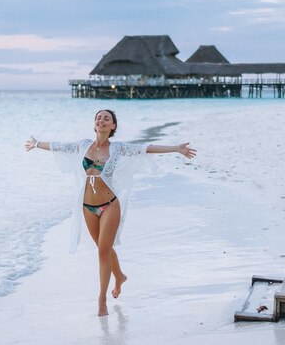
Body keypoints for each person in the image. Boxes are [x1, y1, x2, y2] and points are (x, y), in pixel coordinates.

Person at [25, 109, 196, 316]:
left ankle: (101, 299)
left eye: (107, 118)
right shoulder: (82, 145)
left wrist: (176, 148)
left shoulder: (118, 148)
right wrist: (36, 144)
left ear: (113, 126)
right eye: (98, 117)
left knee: (103, 251)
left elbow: (146, 148)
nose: (102, 120)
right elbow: (57, 146)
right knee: (103, 248)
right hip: (87, 206)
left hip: (110, 204)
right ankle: (120, 276)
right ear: (95, 124)